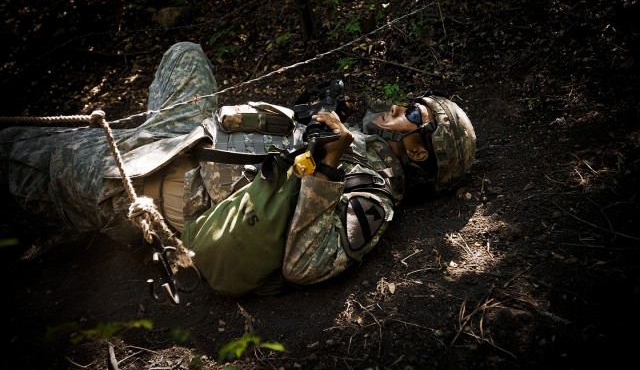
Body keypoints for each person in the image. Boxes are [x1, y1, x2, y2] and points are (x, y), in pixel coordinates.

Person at [0, 42, 476, 296]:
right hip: (185, 135)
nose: (399, 106)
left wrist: (326, 171)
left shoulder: (372, 194)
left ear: (417, 153)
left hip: (147, 184)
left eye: (414, 114)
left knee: (16, 149)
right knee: (185, 53)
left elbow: (304, 267)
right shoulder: (361, 139)